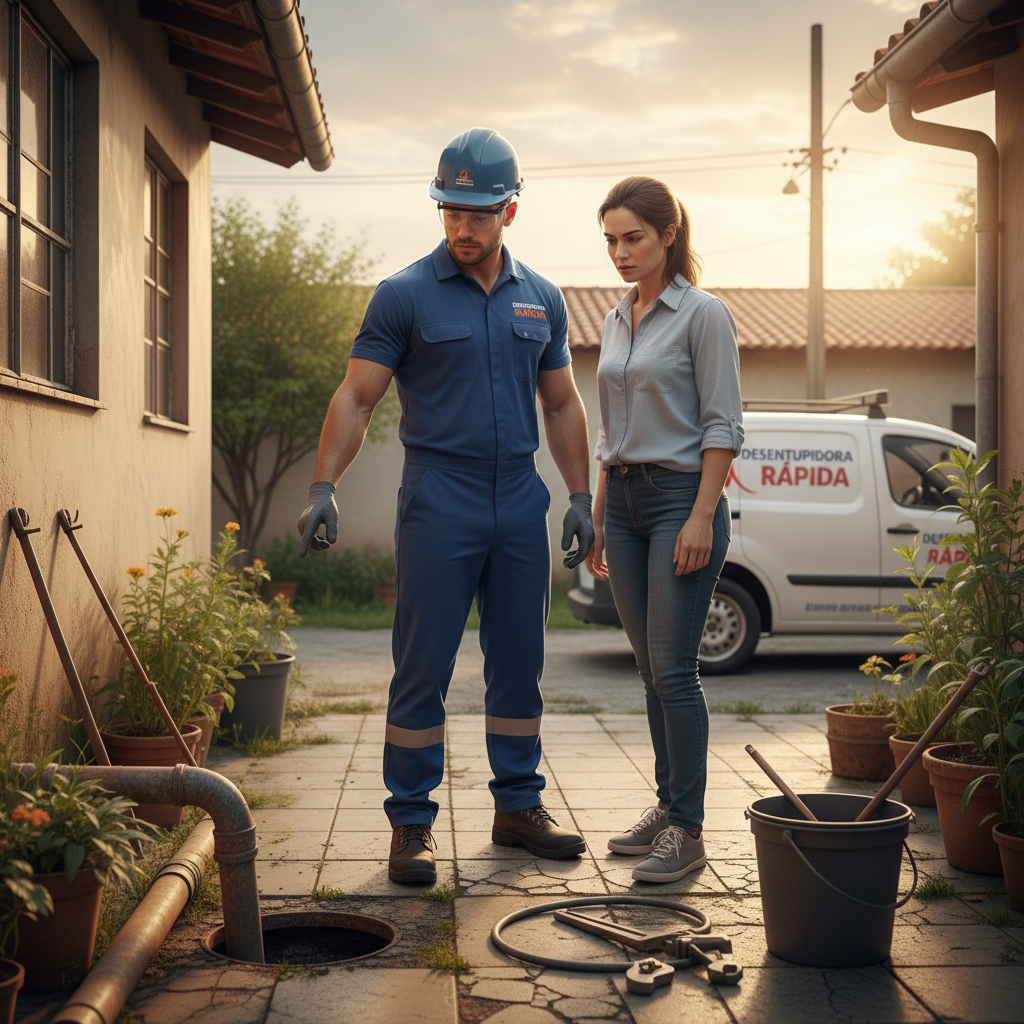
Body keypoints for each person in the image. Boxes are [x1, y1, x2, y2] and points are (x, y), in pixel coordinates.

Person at [297, 128, 595, 886]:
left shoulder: (543, 300)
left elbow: (562, 406)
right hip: (440, 497)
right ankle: (411, 824)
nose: (463, 227)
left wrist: (581, 496)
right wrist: (323, 485)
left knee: (520, 665)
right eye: (450, 211)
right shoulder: (403, 295)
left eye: (479, 213)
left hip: (519, 500)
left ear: (510, 212)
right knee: (422, 665)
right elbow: (357, 396)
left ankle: (518, 807)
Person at [585, 176, 743, 883]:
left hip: (681, 497)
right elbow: (608, 431)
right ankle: (665, 806)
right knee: (650, 670)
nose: (619, 252)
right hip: (621, 503)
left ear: (668, 234)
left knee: (675, 672)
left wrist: (702, 515)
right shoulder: (618, 317)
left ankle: (688, 829)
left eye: (633, 238)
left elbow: (722, 426)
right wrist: (596, 514)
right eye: (611, 240)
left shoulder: (703, 314)